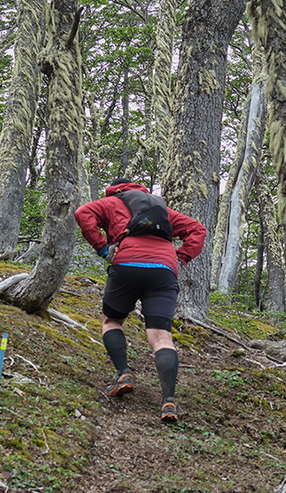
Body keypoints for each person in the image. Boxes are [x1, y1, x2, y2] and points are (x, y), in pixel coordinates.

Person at [74, 179, 206, 423]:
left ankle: (124, 373)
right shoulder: (161, 209)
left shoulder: (111, 202)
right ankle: (168, 401)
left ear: (116, 189)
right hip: (164, 270)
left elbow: (83, 213)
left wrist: (102, 249)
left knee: (112, 321)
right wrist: (181, 258)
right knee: (161, 336)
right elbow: (198, 230)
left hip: (127, 263)